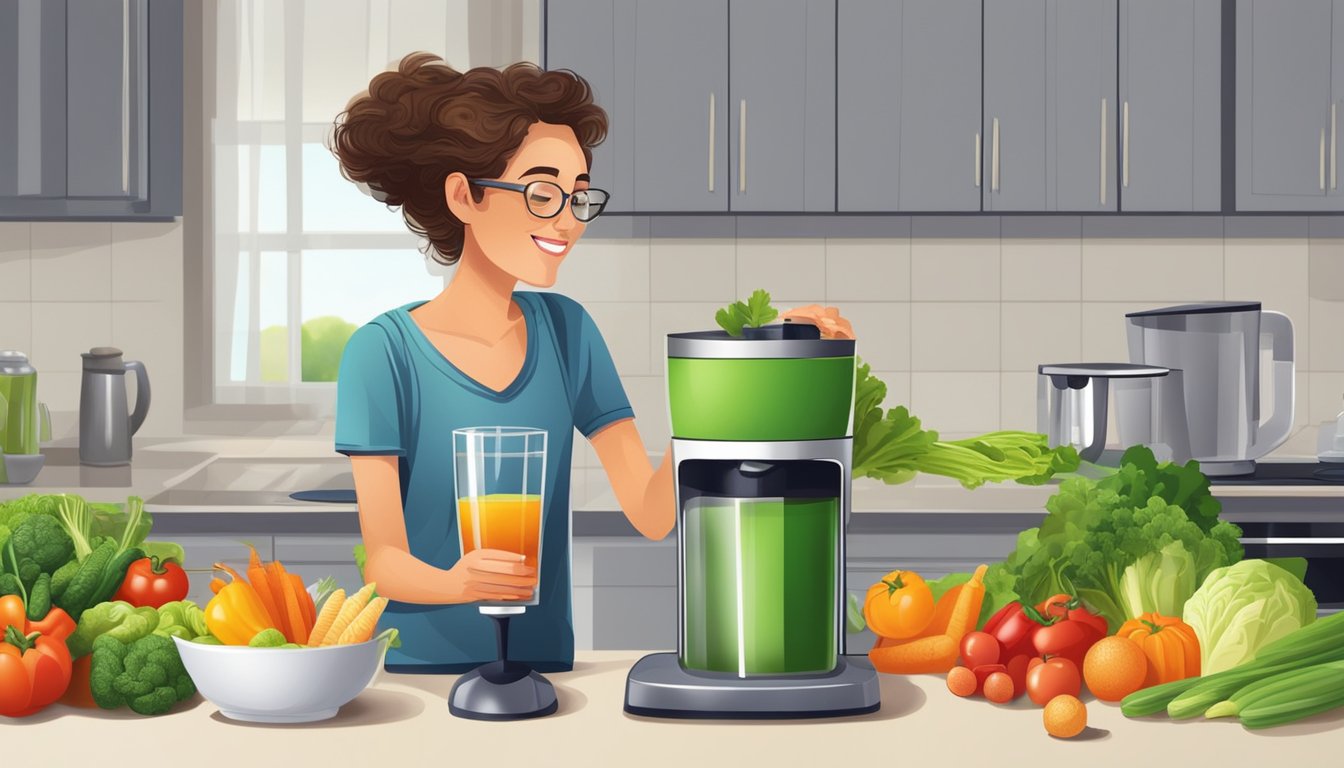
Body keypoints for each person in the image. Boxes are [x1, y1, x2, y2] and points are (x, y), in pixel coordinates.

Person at [330, 52, 850, 673]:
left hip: (543, 666)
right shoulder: (382, 353)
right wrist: (462, 584)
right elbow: (384, 562)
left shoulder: (567, 332)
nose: (568, 223)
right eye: (543, 193)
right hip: (422, 678)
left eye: (577, 198)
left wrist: (752, 367)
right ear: (464, 196)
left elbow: (653, 513)